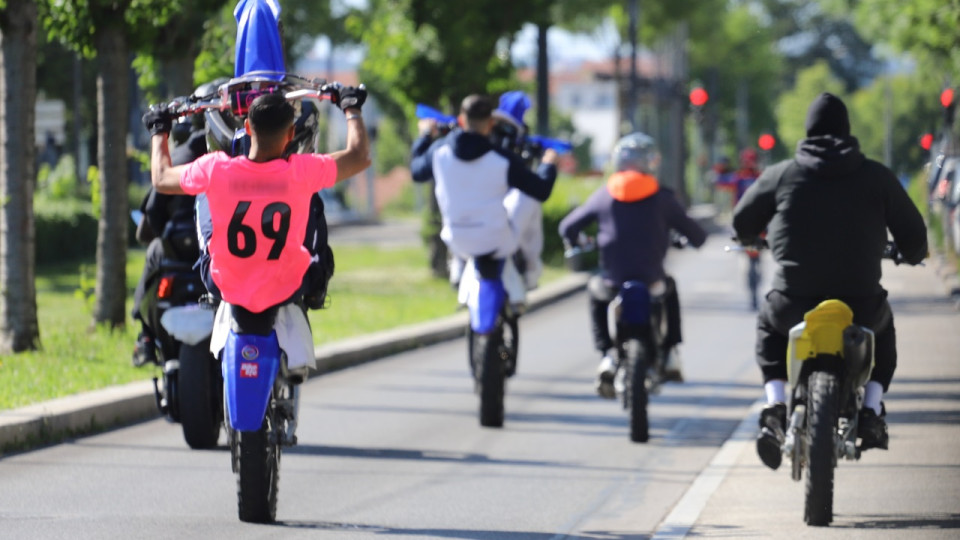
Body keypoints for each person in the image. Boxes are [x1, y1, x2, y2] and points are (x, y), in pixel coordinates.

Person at [732, 92, 927, 470]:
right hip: (860, 306)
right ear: (846, 130)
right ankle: (870, 412)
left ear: (808, 130)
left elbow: (742, 223)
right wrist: (911, 254)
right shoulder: (876, 176)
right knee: (883, 333)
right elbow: (915, 236)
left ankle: (774, 406)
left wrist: (748, 238)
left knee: (768, 325)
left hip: (793, 303)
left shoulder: (782, 174)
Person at [143, 87, 370, 315]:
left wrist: (158, 130)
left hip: (224, 286)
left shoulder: (214, 168)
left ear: (248, 128)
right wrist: (351, 107)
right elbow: (359, 156)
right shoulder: (303, 171)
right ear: (291, 134)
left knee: (202, 192)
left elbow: (161, 178)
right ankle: (317, 289)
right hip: (288, 288)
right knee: (314, 198)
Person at [558, 132, 707, 398]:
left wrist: (580, 241)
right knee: (670, 288)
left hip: (613, 281)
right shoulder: (663, 198)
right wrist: (691, 240)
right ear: (650, 164)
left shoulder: (604, 195)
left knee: (595, 291)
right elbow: (697, 235)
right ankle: (671, 351)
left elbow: (567, 226)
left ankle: (606, 354)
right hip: (652, 279)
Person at [409, 94, 559, 290]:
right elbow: (541, 190)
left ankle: (458, 265)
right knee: (527, 198)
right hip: (498, 242)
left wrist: (425, 136)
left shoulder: (439, 151)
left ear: (461, 120)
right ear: (490, 124)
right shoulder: (502, 159)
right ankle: (531, 273)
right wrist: (548, 165)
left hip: (456, 241)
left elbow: (417, 172)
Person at [130, 123, 207, 366]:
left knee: (153, 250)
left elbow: (151, 216)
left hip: (177, 251)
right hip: (218, 252)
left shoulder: (176, 159)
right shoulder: (231, 156)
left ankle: (144, 336)